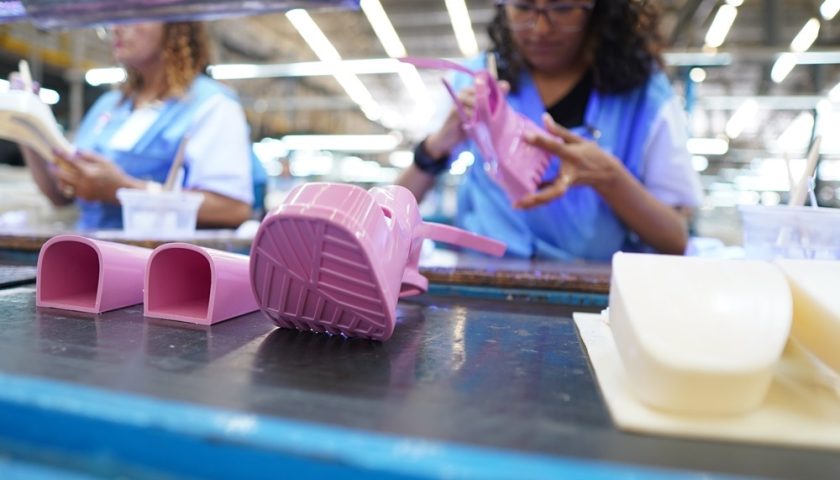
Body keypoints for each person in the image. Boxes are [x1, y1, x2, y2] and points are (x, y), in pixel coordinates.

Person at [397, 0, 703, 261]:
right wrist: (437, 145)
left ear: (597, 9)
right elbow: (393, 211)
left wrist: (611, 179)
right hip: (484, 286)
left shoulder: (645, 96)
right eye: (523, 7)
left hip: (592, 295)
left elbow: (676, 240)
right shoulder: (473, 81)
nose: (541, 28)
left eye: (563, 8)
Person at [19, 21, 259, 230]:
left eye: (133, 17)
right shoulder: (109, 105)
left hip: (155, 262)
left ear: (175, 25)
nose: (116, 28)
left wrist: (122, 190)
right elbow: (61, 196)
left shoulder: (211, 104)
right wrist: (27, 125)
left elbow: (232, 208)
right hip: (88, 256)